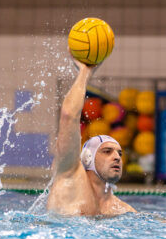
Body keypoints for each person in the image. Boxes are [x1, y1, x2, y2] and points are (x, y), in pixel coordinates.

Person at [47, 58, 136, 216]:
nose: (117, 157)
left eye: (119, 153)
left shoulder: (122, 210)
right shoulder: (69, 176)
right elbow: (68, 115)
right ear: (88, 158)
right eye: (107, 151)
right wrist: (85, 72)